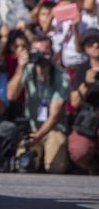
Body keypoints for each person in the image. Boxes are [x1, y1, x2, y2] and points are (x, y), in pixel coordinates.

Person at [7, 36, 69, 173]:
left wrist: (38, 137)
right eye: (36, 52)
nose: (41, 57)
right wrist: (20, 67)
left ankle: (49, 158)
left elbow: (54, 116)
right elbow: (11, 95)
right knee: (22, 165)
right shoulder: (28, 69)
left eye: (44, 52)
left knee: (54, 167)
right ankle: (39, 158)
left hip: (54, 129)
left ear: (51, 53)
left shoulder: (62, 77)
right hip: (32, 127)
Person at [69, 28, 99, 172]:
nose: (95, 45)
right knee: (79, 150)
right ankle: (94, 168)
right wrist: (86, 84)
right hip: (89, 119)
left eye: (97, 42)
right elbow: (74, 103)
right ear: (85, 49)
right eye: (90, 43)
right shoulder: (82, 70)